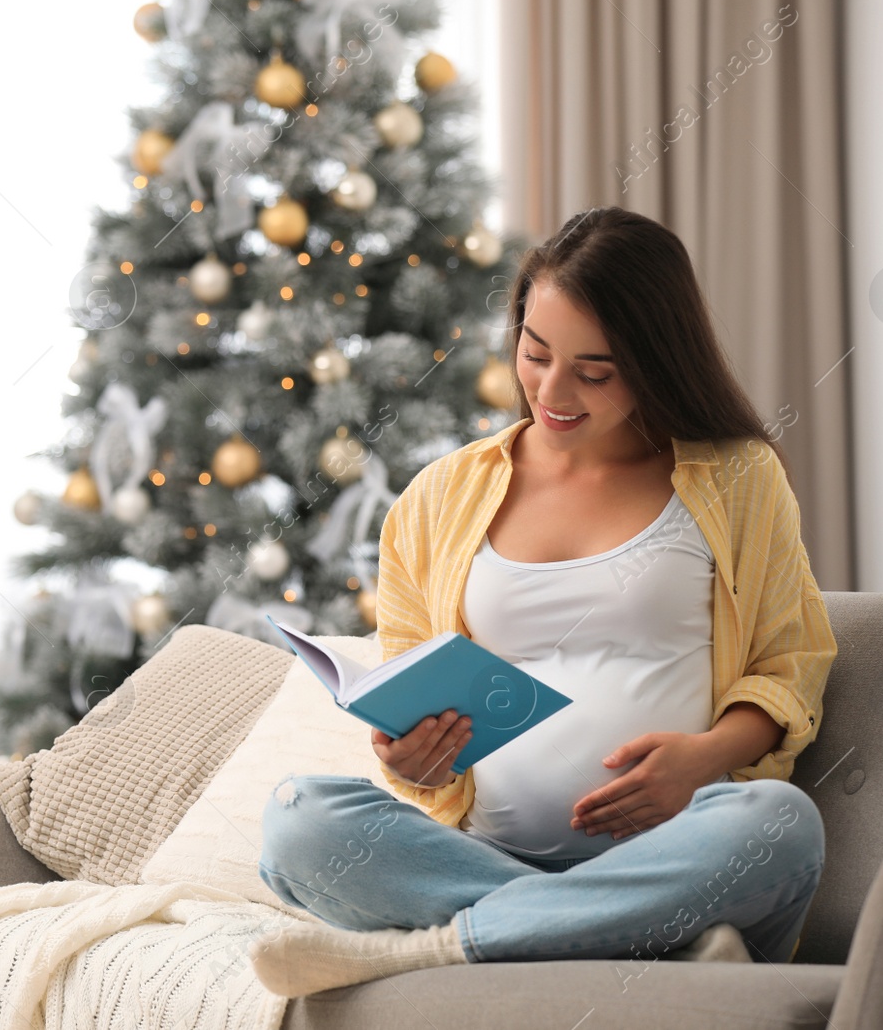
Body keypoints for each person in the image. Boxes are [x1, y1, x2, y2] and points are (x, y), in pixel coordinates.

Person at [250, 207, 837, 998]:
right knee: (297, 820)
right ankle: (637, 941)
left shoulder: (736, 477)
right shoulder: (436, 499)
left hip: (676, 846)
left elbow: (789, 667)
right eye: (536, 353)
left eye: (594, 371)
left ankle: (434, 948)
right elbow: (413, 703)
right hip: (481, 858)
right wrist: (411, 757)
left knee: (779, 824)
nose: (553, 392)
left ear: (657, 362)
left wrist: (703, 758)